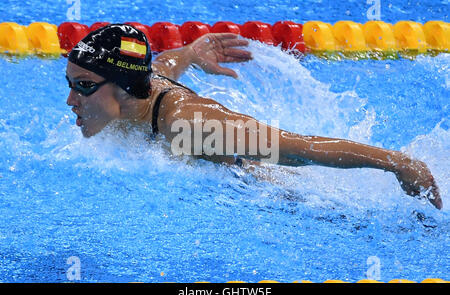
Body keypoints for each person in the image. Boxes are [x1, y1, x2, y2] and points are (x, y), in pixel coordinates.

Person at [66, 24, 442, 209]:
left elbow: (300, 149)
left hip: (270, 188)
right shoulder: (139, 89)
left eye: (83, 86)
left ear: (122, 86)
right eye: (70, 84)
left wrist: (395, 163)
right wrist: (192, 51)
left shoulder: (190, 127)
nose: (70, 100)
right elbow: (164, 62)